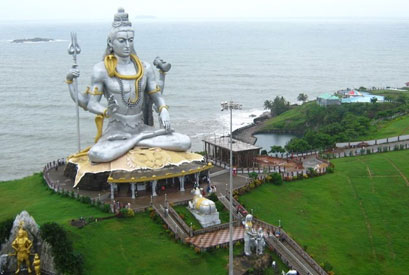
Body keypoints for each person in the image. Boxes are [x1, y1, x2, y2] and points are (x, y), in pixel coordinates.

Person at [66, 8, 191, 163]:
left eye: (130, 40)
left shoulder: (144, 68)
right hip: (117, 130)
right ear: (111, 42)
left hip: (141, 127)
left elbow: (157, 97)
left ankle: (136, 140)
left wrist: (164, 110)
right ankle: (138, 141)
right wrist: (106, 111)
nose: (127, 45)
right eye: (122, 41)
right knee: (97, 154)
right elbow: (92, 103)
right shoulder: (101, 69)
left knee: (184, 141)